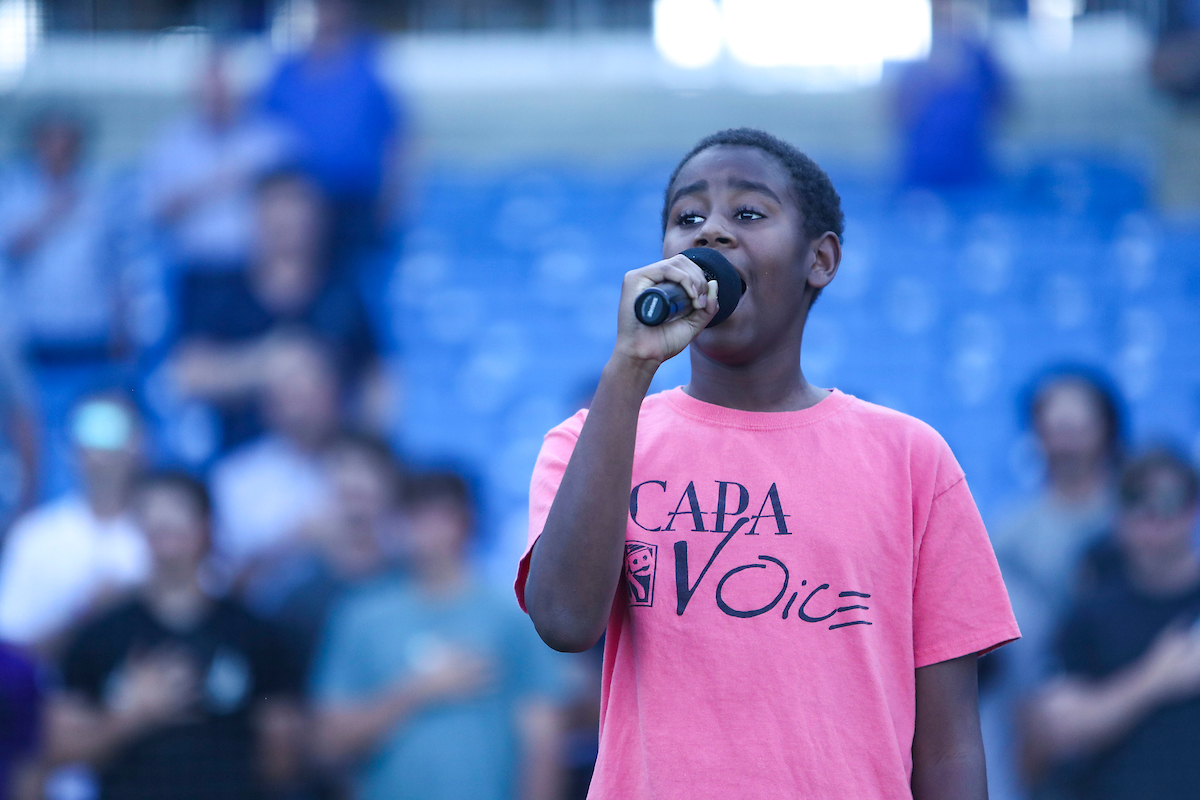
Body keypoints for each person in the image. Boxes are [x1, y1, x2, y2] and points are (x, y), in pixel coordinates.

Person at [518, 128, 1019, 799]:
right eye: (687, 217)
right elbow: (563, 621)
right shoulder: (594, 440)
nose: (713, 232)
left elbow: (951, 746)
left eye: (748, 213)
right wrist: (630, 369)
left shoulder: (910, 458)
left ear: (821, 259)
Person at [45, 471, 304, 800]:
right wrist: (130, 717)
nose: (165, 538)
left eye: (176, 523)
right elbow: (57, 751)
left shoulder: (256, 633)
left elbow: (284, 761)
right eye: (154, 524)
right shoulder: (99, 635)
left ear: (206, 529)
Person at [311, 470, 565, 800]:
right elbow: (327, 742)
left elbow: (542, 739)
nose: (428, 531)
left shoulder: (511, 613)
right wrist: (420, 690)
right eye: (415, 516)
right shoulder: (361, 616)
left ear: (468, 522)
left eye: (442, 516)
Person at [1023, 448, 1200, 800]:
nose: (1153, 522)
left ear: (1192, 511)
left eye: (1167, 505)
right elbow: (1055, 730)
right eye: (1138, 506)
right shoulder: (1091, 611)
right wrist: (1156, 678)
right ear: (1118, 516)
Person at [982, 370, 1122, 798]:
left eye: (1078, 426)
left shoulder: (1137, 520)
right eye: (1055, 427)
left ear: (1107, 430)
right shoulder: (1009, 533)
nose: (1068, 441)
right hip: (1030, 704)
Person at [171, 169, 380, 453]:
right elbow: (187, 376)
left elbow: (377, 374)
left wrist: (366, 442)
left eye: (298, 212)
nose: (290, 225)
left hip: (328, 458)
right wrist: (269, 363)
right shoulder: (219, 291)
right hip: (243, 460)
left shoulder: (343, 293)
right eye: (277, 213)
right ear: (257, 218)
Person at [243, 431, 405, 675]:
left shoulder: (412, 578)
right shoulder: (296, 587)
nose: (353, 479)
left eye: (367, 469)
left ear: (390, 486)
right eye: (342, 467)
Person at [0, 392, 147, 656]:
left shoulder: (170, 532)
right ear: (71, 447)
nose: (101, 450)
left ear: (140, 443)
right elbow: (10, 656)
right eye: (91, 432)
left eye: (114, 431)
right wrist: (84, 616)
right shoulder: (34, 536)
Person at [260, 0, 404, 265]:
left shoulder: (369, 64)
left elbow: (395, 140)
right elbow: (262, 144)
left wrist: (391, 204)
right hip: (302, 209)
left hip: (358, 204)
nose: (328, 13)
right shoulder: (286, 73)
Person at [141, 47, 291, 274]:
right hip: (193, 267)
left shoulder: (271, 143)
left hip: (256, 270)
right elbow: (153, 212)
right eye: (210, 90)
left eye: (225, 89)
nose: (218, 97)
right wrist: (211, 188)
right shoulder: (171, 143)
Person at [209, 334, 341, 576]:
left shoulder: (367, 467)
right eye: (292, 394)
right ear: (268, 405)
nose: (304, 408)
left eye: (313, 391)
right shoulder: (236, 478)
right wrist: (294, 543)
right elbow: (226, 574)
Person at [892, 0, 1007, 188]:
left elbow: (1002, 99)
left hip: (966, 165)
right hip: (925, 169)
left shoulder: (977, 56)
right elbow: (899, 108)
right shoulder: (917, 57)